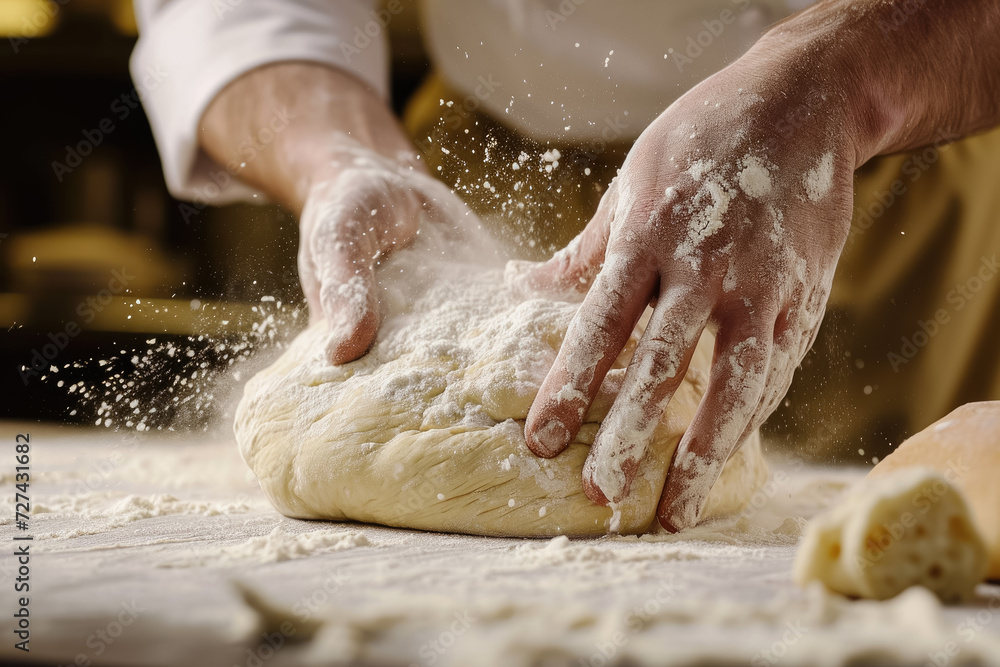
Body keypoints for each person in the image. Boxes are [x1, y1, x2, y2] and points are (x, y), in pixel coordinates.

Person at [130, 0, 1000, 532]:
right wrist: (338, 156)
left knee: (890, 557)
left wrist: (846, 70)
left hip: (881, 156)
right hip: (503, 148)